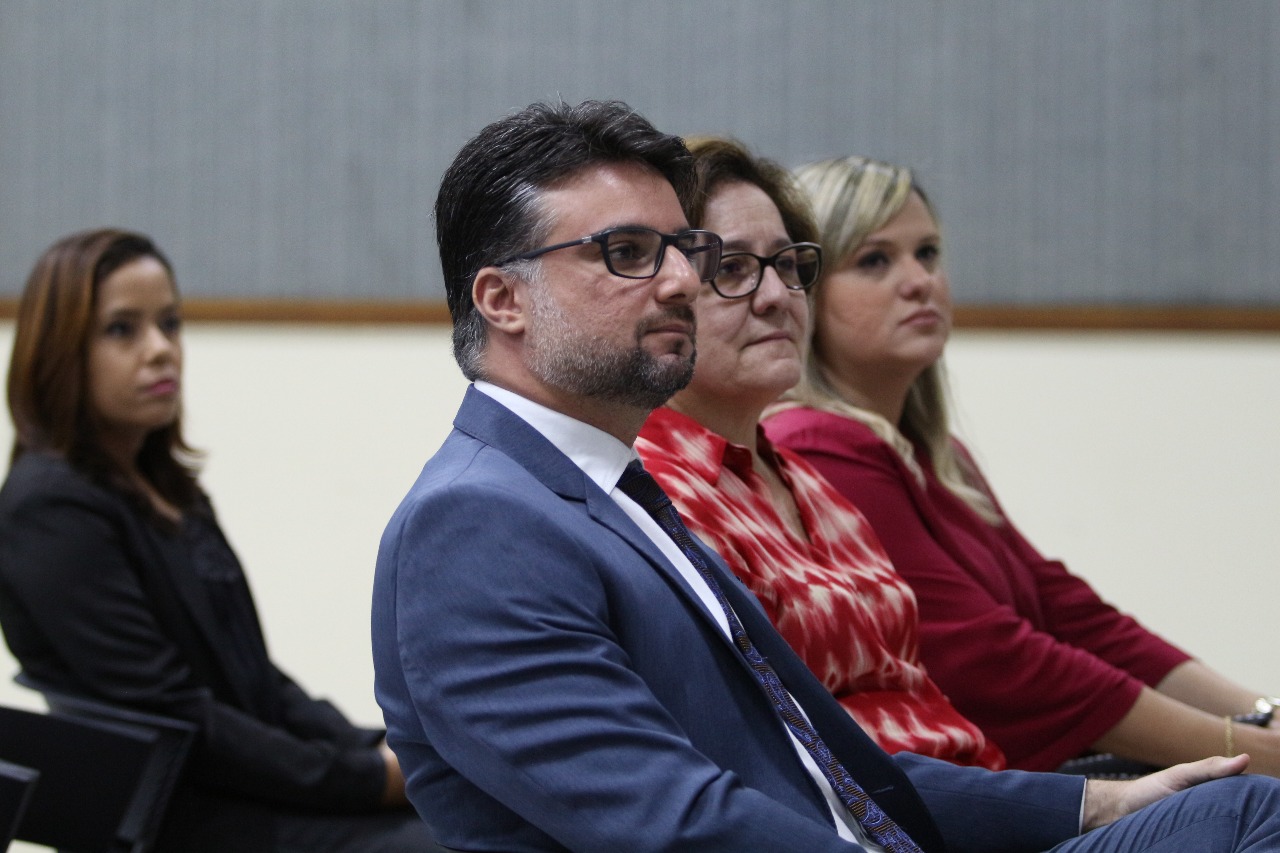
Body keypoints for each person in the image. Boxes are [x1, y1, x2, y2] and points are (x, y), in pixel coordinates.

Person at [372, 97, 1280, 853]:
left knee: (1229, 807)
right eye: (629, 253)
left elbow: (834, 769)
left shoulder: (612, 491)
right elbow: (674, 823)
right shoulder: (478, 521)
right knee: (1249, 816)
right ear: (503, 299)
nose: (682, 281)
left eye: (684, 250)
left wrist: (1100, 802)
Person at [763, 154, 1280, 777]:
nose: (920, 281)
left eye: (927, 254)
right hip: (967, 793)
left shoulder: (937, 455)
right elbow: (990, 660)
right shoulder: (814, 445)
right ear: (805, 291)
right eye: (875, 261)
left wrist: (1260, 714)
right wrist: (1244, 749)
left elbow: (1072, 614)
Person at [0, 229, 442, 852]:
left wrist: (367, 746)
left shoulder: (168, 488)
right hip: (186, 816)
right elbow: (175, 712)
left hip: (251, 788)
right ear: (59, 351)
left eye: (170, 323)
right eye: (122, 330)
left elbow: (252, 677)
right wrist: (364, 779)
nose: (161, 350)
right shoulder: (50, 508)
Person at [634, 137, 1003, 770]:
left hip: (983, 791)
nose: (777, 295)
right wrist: (1076, 805)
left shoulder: (807, 481)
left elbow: (924, 700)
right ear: (660, 295)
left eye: (787, 265)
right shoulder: (656, 491)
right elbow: (793, 768)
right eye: (732, 269)